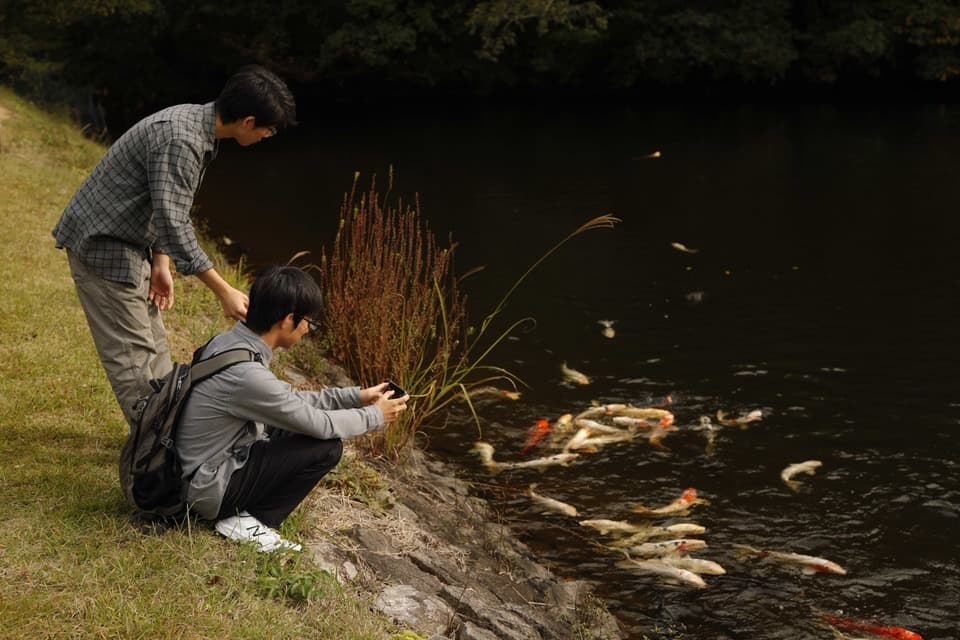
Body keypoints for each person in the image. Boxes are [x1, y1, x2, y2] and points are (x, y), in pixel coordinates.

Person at [52, 65, 297, 428]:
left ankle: (172, 436)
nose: (267, 136)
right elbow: (175, 224)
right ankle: (153, 459)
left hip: (131, 243)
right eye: (267, 129)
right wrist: (224, 291)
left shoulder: (196, 127)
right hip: (103, 246)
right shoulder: (181, 140)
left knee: (157, 354)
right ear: (247, 121)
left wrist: (161, 264)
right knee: (134, 361)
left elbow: (165, 207)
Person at [177, 265, 408, 552]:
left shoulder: (230, 343)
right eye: (309, 321)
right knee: (326, 447)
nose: (309, 329)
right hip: (205, 488)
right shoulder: (248, 375)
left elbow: (289, 403)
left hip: (195, 464)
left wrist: (355, 397)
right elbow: (319, 424)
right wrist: (375, 416)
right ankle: (249, 522)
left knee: (293, 428)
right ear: (288, 320)